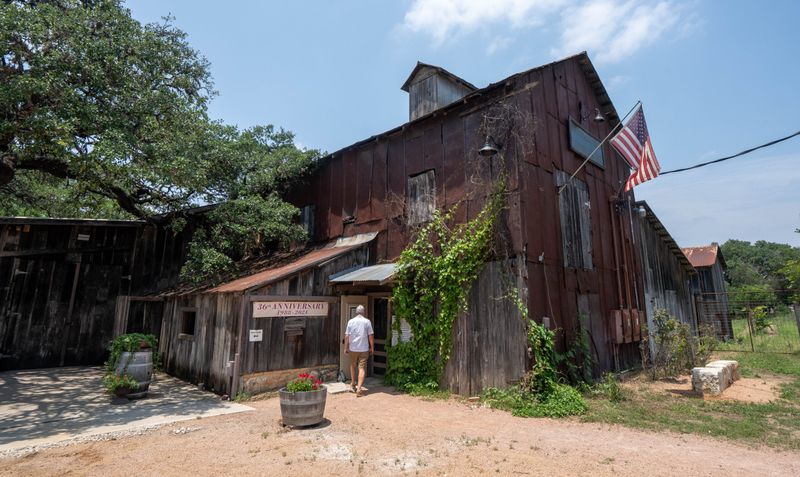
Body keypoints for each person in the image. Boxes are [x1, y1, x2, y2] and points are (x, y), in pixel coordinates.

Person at [344, 305, 373, 397]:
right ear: (363, 312)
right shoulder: (367, 322)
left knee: (353, 365)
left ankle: (353, 383)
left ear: (356, 312)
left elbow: (347, 335)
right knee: (361, 368)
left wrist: (346, 347)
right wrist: (372, 347)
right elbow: (370, 336)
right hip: (364, 348)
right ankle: (359, 388)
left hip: (353, 348)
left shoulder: (351, 322)